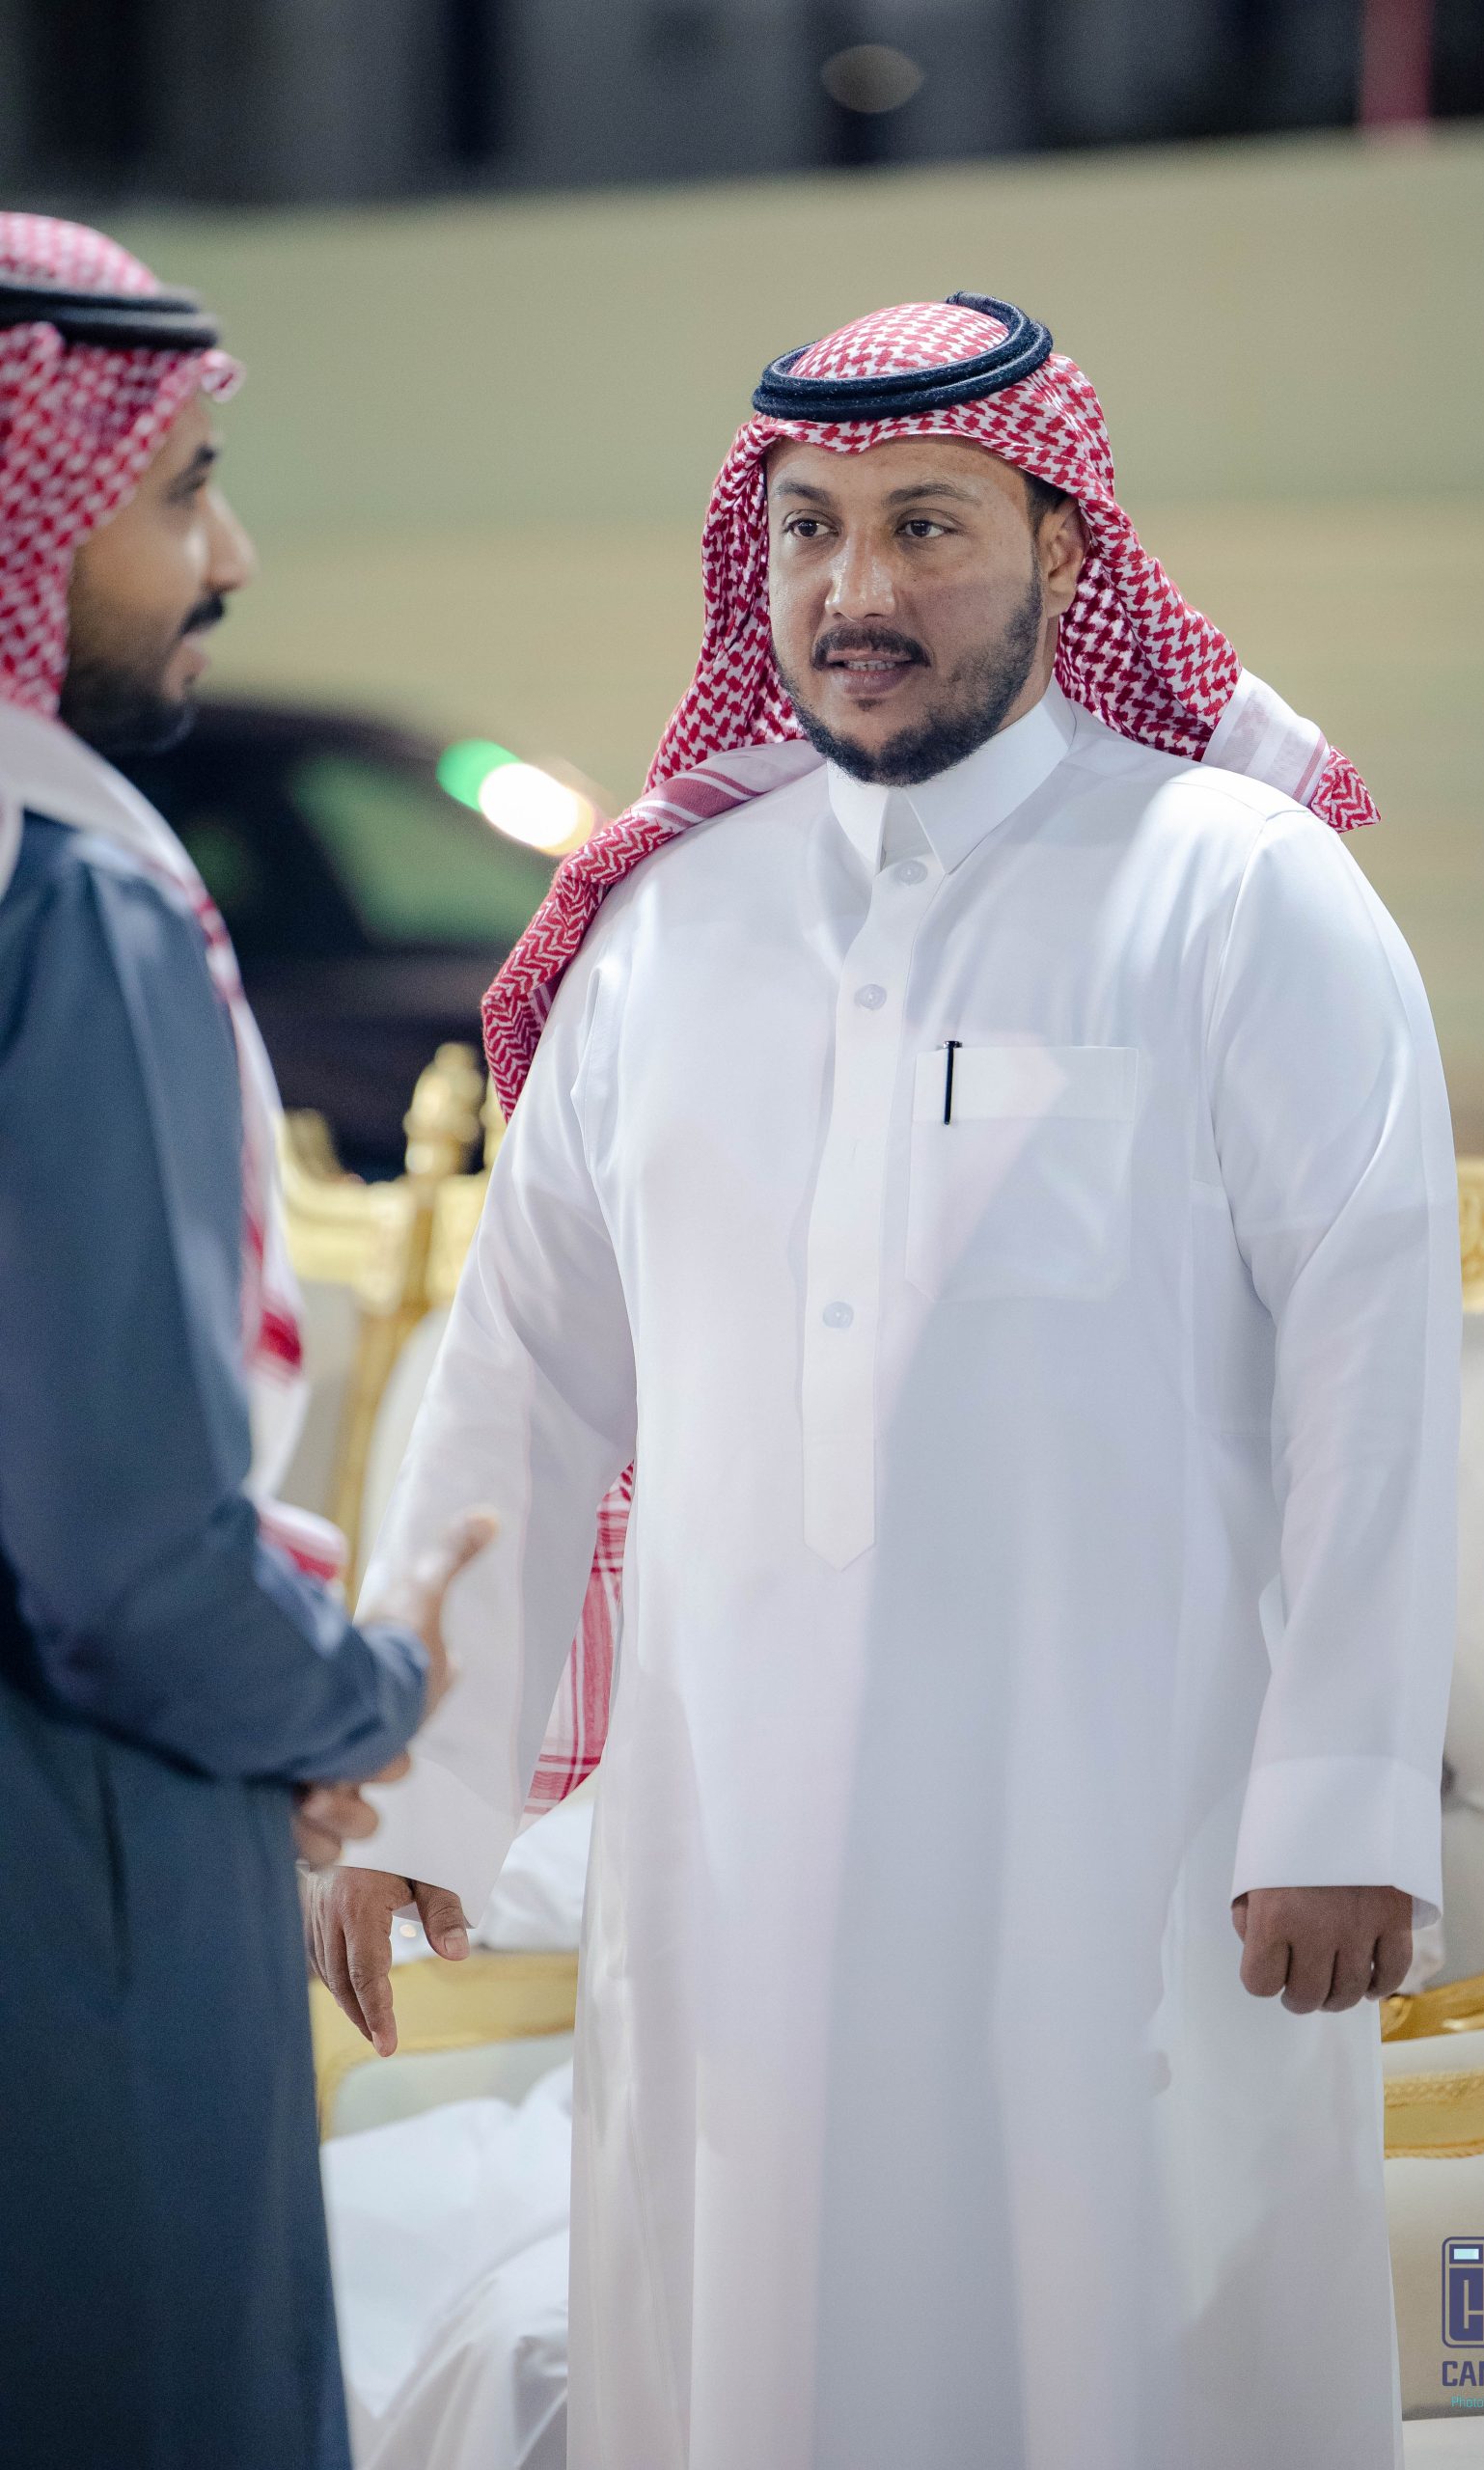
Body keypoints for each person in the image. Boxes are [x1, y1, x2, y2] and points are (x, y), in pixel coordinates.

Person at [312, 294, 1460, 2470]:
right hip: (727, 1863)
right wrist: (408, 1792)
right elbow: (527, 1376)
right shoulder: (663, 931)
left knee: (1118, 2353)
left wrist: (1341, 1797)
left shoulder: (1238, 890)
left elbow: (1372, 1357)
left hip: (1126, 1853)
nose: (857, 589)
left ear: (1063, 542)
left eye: (927, 525)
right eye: (810, 530)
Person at [0, 215, 487, 2470]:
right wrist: (364, 1683)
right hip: (71, 1875)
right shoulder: (62, 902)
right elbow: (126, 1568)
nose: (230, 553)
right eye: (180, 486)